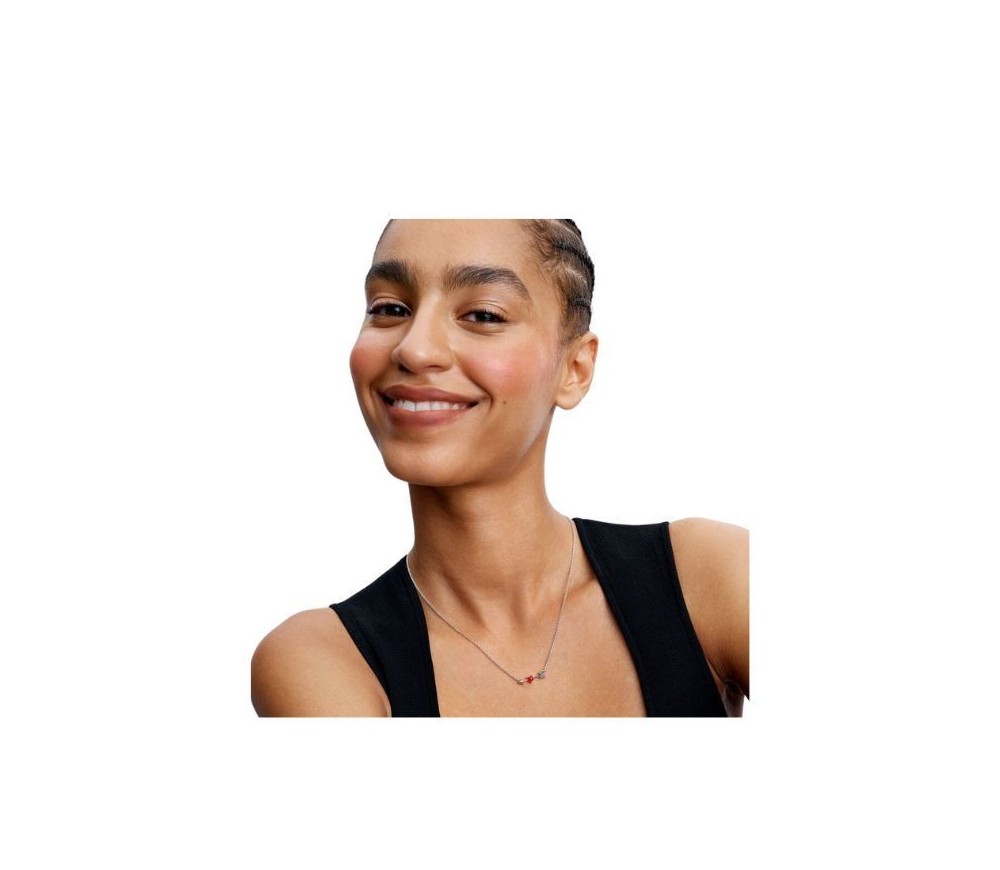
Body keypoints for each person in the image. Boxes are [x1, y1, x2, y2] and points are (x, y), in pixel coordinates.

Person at [251, 219, 749, 717]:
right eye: (390, 309)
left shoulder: (710, 573)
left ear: (575, 369)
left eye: (483, 315)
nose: (414, 349)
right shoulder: (318, 658)